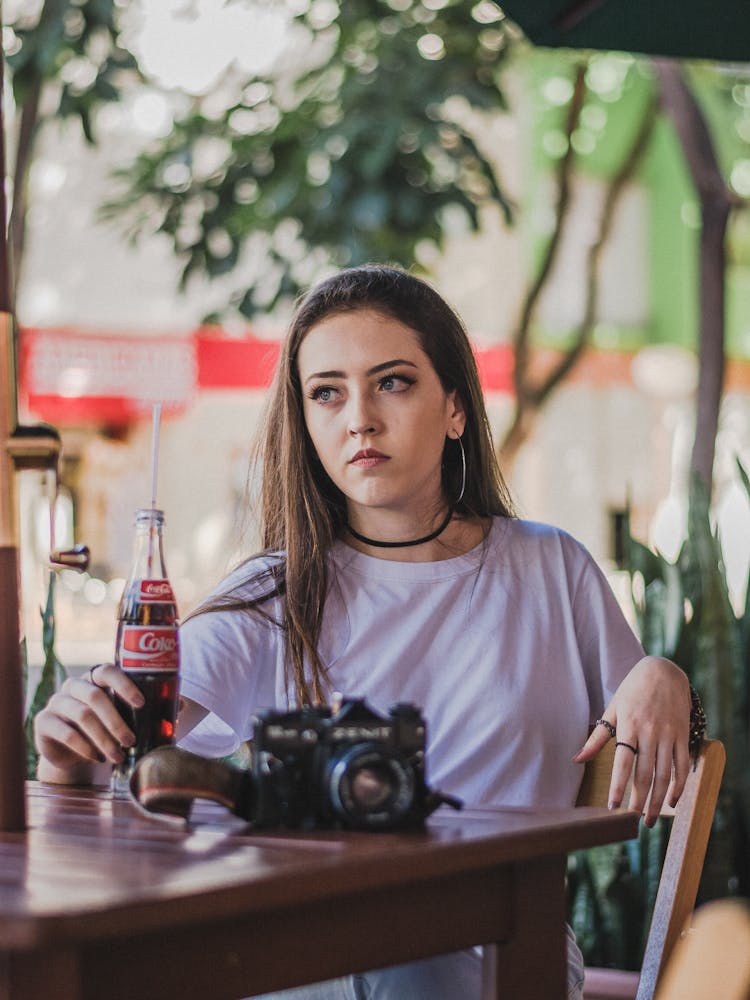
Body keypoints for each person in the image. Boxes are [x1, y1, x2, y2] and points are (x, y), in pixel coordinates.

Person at [35, 264, 693, 1000]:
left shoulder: (552, 568)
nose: (360, 419)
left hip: (493, 952)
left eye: (393, 382)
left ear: (454, 407)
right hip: (303, 946)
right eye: (327, 393)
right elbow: (133, 749)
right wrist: (71, 749)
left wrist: (664, 675)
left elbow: (664, 747)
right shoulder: (272, 593)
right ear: (307, 422)